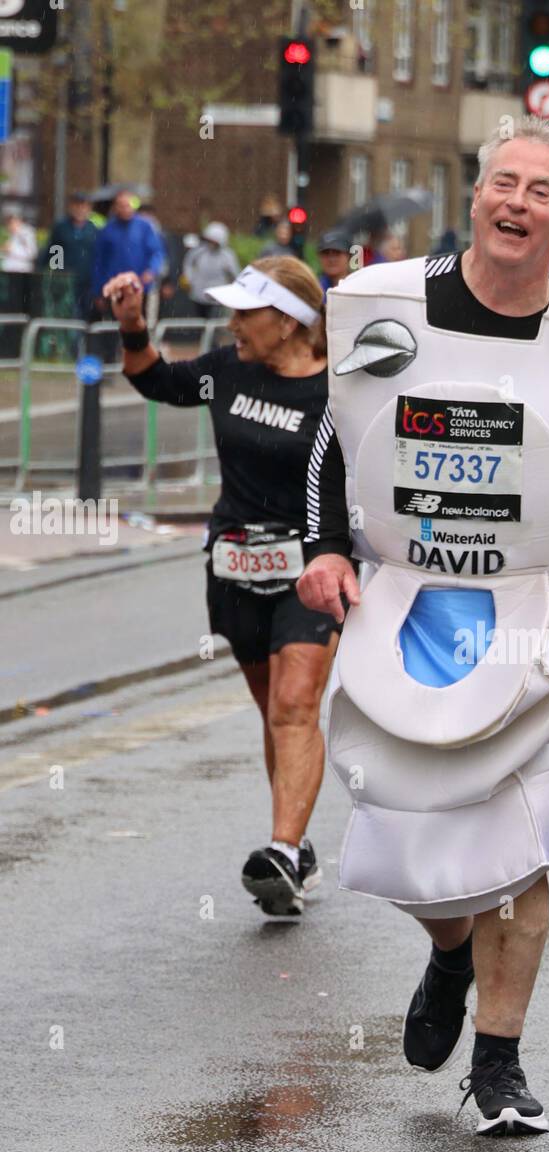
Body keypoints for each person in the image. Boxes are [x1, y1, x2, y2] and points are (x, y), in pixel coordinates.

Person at [297, 116, 549, 1136]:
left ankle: (499, 1061)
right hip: (408, 596)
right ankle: (448, 949)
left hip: (533, 608)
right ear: (474, 197)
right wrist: (326, 548)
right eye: (500, 183)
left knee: (522, 843)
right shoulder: (388, 308)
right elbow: (334, 447)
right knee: (405, 826)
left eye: (539, 190)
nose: (515, 203)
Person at [103, 257, 341, 916]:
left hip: (311, 570)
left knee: (297, 704)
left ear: (291, 323)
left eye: (246, 312)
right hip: (234, 568)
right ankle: (293, 846)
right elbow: (156, 380)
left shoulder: (339, 393)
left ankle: (283, 851)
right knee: (276, 711)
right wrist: (131, 327)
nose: (232, 323)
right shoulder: (226, 371)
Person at [90, 189, 166, 320]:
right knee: (116, 325)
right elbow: (99, 262)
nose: (125, 209)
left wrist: (152, 270)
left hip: (139, 287)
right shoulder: (107, 230)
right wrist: (98, 291)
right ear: (115, 207)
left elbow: (157, 252)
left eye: (128, 205)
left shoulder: (145, 227)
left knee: (139, 323)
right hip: (115, 288)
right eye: (121, 205)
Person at [40, 192, 98, 321]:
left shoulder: (93, 230)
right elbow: (53, 251)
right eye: (77, 206)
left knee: (86, 315)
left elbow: (97, 256)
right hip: (66, 281)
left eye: (83, 206)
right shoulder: (61, 228)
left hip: (87, 281)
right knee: (68, 314)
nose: (80, 210)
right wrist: (57, 273)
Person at [180, 222, 240, 316]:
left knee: (214, 323)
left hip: (218, 298)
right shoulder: (199, 252)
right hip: (198, 294)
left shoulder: (228, 256)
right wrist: (189, 278)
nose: (211, 244)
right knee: (199, 322)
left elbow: (235, 275)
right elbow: (188, 263)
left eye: (214, 241)